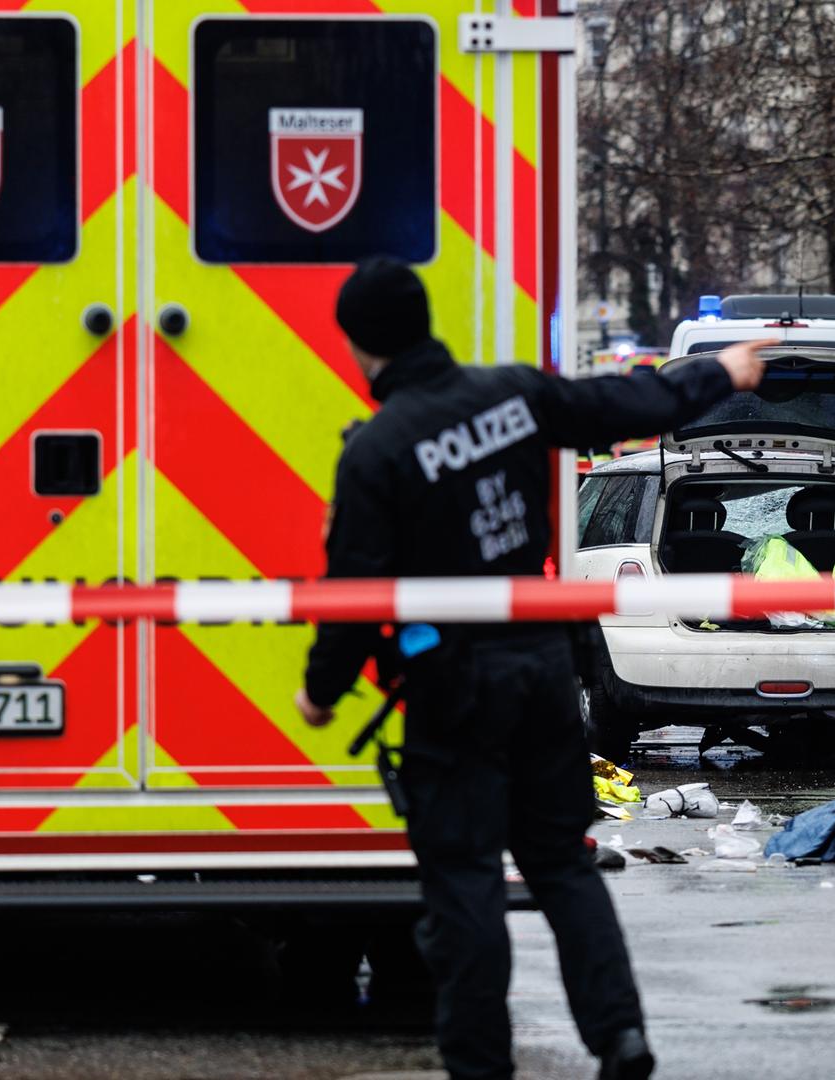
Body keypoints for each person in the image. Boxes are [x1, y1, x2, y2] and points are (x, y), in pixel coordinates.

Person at [293, 256, 769, 1080]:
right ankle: (620, 1036)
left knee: (466, 879)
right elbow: (625, 402)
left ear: (359, 347)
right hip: (546, 671)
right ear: (423, 321)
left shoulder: (378, 450)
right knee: (560, 865)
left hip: (454, 689)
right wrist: (718, 372)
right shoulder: (510, 394)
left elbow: (352, 589)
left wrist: (321, 691)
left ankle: (480, 1065)